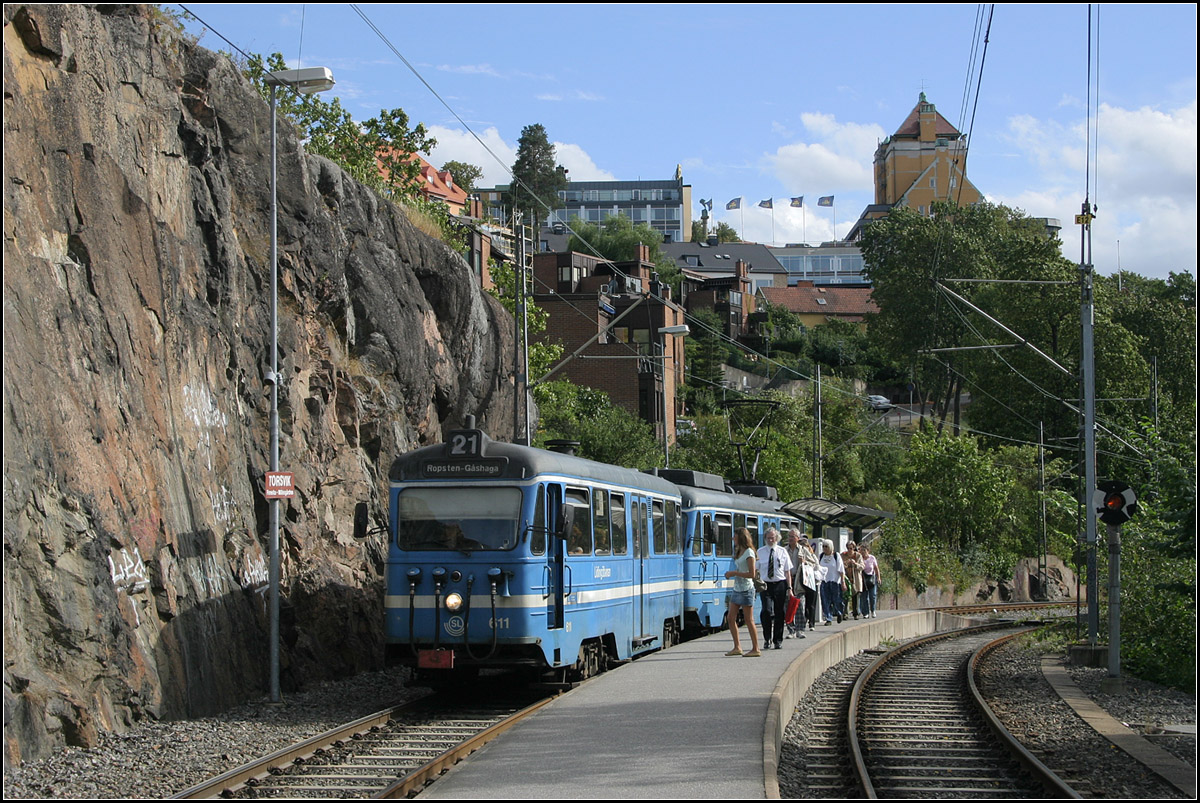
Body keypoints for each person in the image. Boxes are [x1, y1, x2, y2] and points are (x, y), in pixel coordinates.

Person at [724, 528, 762, 657]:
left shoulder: (749, 553)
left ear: (741, 537)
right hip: (737, 588)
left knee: (748, 619)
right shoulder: (739, 551)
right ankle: (737, 647)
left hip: (746, 589)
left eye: (735, 536)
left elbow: (752, 574)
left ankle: (756, 648)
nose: (733, 538)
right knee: (730, 617)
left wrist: (734, 573)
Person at [757, 527, 794, 649]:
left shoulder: (782, 551)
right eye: (768, 538)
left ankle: (777, 640)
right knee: (766, 611)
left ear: (777, 538)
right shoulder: (760, 552)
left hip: (780, 584)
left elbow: (787, 571)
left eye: (772, 538)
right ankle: (767, 638)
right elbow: (756, 570)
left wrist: (789, 588)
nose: (770, 540)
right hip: (765, 585)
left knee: (779, 612)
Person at [784, 528, 807, 639]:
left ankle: (800, 629)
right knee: (788, 605)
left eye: (793, 536)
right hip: (787, 580)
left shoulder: (803, 550)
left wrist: (804, 562)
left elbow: (815, 564)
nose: (790, 538)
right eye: (789, 536)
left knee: (800, 605)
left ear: (798, 538)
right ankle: (791, 630)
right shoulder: (784, 550)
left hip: (799, 580)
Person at [818, 539, 845, 625]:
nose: (824, 548)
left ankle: (839, 612)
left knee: (837, 599)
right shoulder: (821, 556)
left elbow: (841, 570)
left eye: (826, 546)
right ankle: (828, 618)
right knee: (825, 600)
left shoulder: (836, 556)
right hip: (824, 581)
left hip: (835, 581)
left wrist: (843, 581)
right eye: (823, 546)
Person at [843, 541, 864, 619]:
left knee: (855, 596)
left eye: (851, 548)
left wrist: (855, 564)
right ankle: (845, 613)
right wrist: (846, 563)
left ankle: (856, 613)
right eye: (848, 548)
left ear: (854, 548)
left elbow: (862, 566)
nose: (849, 550)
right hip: (846, 578)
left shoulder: (858, 556)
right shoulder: (843, 555)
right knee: (846, 596)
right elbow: (840, 566)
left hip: (855, 579)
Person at [860, 543, 880, 618]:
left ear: (868, 551)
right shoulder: (860, 558)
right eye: (861, 550)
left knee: (873, 596)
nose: (863, 552)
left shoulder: (872, 558)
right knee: (864, 597)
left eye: (864, 550)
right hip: (863, 579)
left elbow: (876, 568)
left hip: (871, 578)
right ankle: (866, 613)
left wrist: (878, 578)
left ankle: (873, 610)